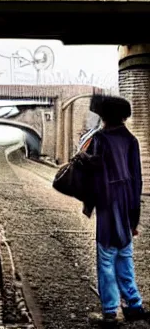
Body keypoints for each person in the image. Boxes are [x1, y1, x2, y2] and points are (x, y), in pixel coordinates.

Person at [84, 95, 149, 326]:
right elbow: (137, 181)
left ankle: (110, 311)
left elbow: (92, 173)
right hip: (127, 203)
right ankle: (134, 305)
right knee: (124, 255)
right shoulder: (131, 140)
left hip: (108, 204)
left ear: (104, 117)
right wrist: (135, 219)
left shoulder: (100, 139)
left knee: (106, 257)